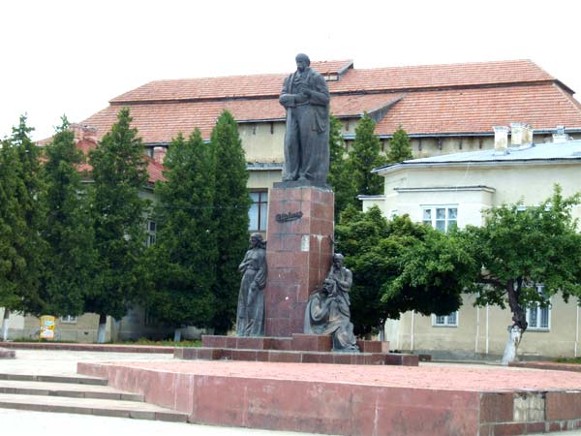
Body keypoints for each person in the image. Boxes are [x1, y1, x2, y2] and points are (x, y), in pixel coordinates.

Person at [279, 53, 330, 184]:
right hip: (293, 111)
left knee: (307, 143)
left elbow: (325, 98)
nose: (299, 64)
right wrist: (294, 98)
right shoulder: (290, 78)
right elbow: (282, 96)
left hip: (308, 110)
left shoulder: (316, 77)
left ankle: (306, 174)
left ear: (308, 62)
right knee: (291, 142)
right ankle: (291, 173)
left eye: (301, 61)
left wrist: (309, 93)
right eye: (297, 61)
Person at [304, 253, 359, 352]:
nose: (337, 263)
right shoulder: (332, 271)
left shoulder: (347, 272)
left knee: (345, 321)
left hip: (343, 300)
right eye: (335, 261)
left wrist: (337, 280)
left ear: (342, 261)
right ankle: (341, 339)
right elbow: (328, 283)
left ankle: (346, 342)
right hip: (333, 301)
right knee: (336, 323)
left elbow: (348, 285)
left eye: (339, 261)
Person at [236, 233, 267, 336]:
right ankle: (243, 329)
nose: (251, 242)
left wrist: (256, 282)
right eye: (250, 240)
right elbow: (240, 266)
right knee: (243, 303)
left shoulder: (262, 253)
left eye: (253, 240)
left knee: (251, 304)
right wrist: (246, 264)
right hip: (245, 278)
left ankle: (251, 329)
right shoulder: (248, 252)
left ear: (258, 241)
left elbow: (263, 269)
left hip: (254, 278)